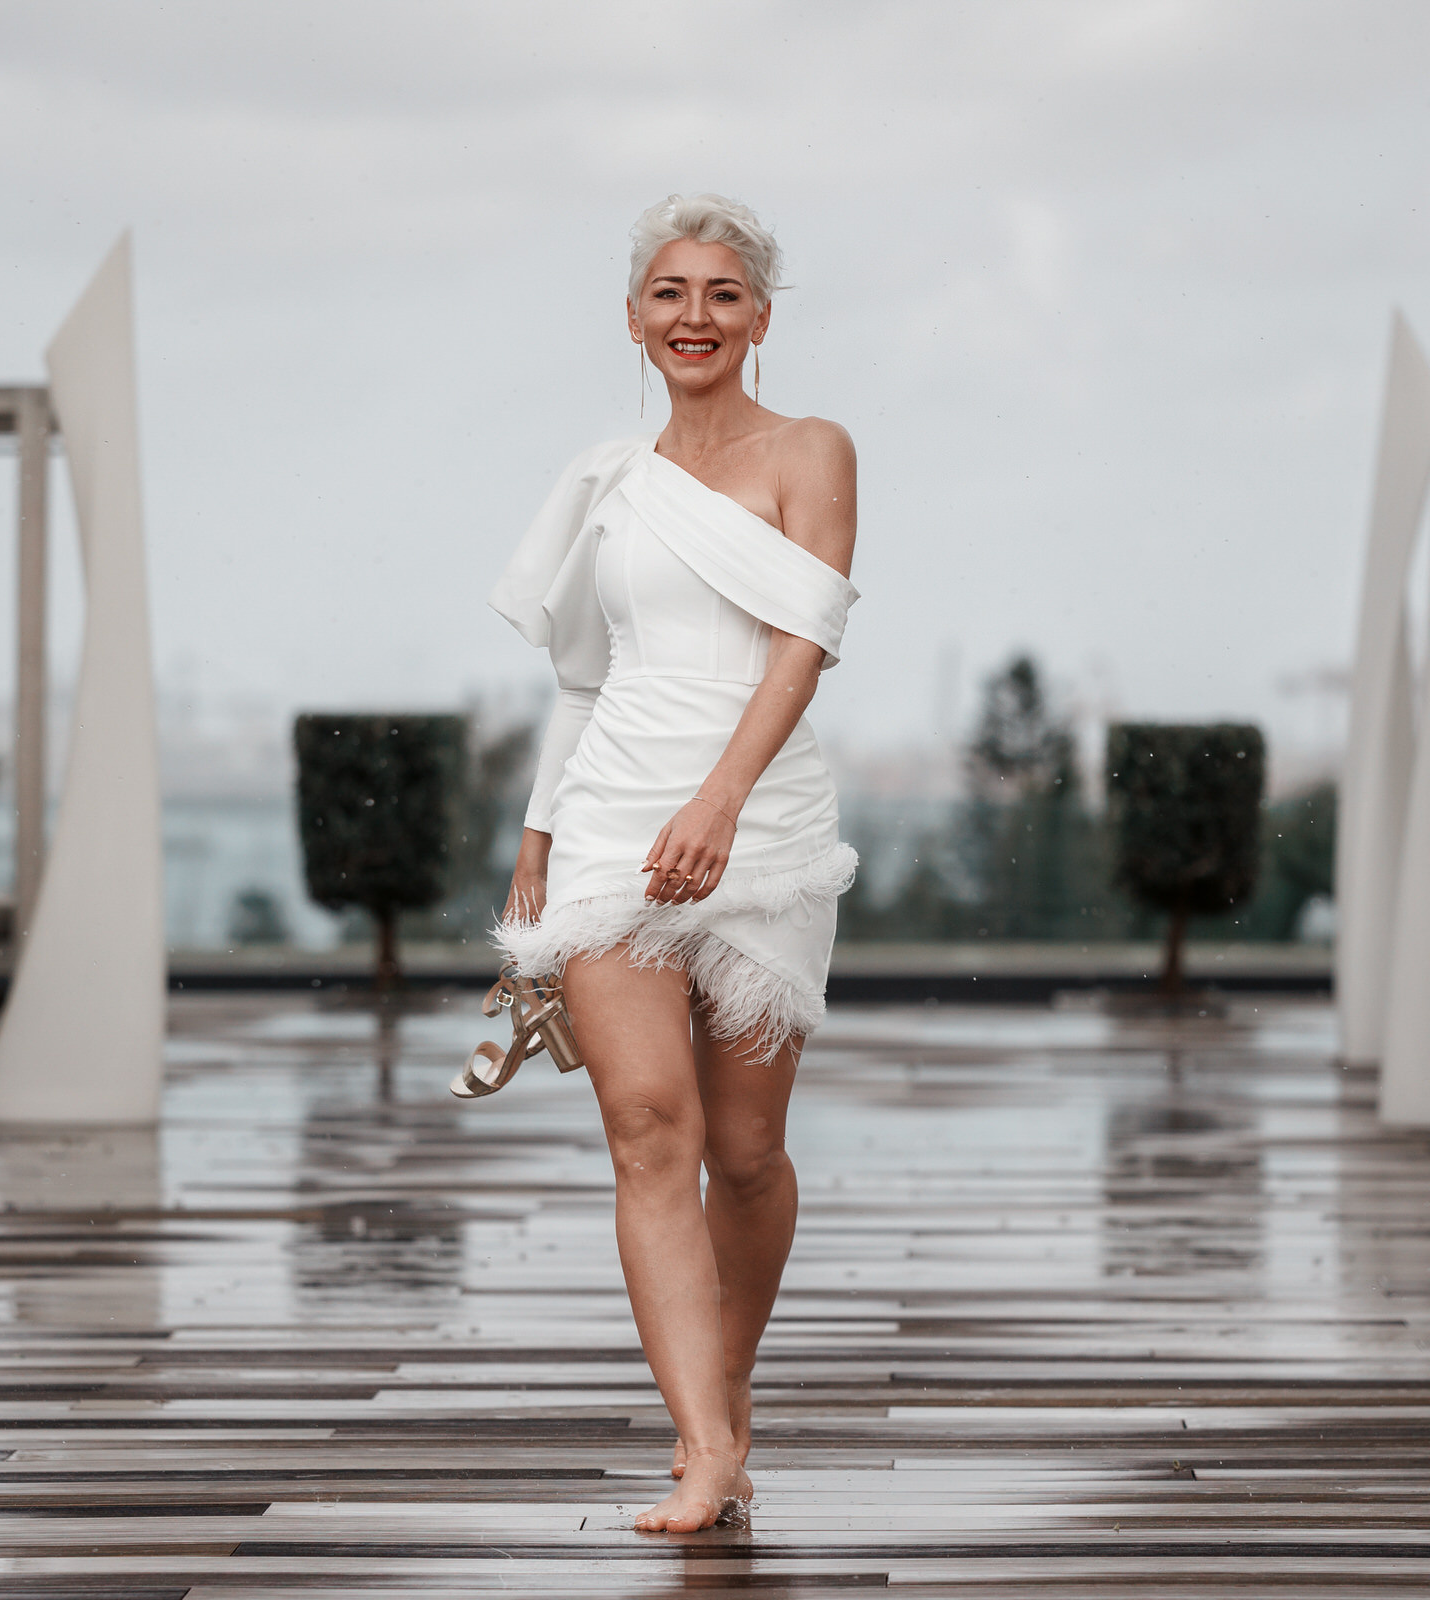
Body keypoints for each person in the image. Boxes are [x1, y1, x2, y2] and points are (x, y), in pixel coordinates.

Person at [488, 193, 860, 1533]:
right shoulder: (609, 483)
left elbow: (802, 646)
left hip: (759, 824)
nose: (692, 316)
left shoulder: (811, 450)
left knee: (746, 1154)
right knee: (650, 1125)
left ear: (760, 317)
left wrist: (719, 801)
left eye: (720, 294)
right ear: (635, 319)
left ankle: (730, 1384)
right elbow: (585, 679)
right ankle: (705, 1444)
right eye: (668, 293)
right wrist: (539, 833)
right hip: (608, 825)